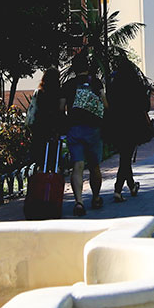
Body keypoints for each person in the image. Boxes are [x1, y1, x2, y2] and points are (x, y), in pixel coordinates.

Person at [60, 55, 107, 216]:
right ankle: (95, 197)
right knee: (94, 166)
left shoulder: (68, 85)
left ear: (73, 68)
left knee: (77, 166)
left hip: (74, 129)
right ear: (88, 66)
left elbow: (61, 109)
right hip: (93, 129)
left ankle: (79, 202)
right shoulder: (96, 82)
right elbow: (105, 103)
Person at [104, 56, 151, 202]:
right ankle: (118, 189)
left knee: (125, 155)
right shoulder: (136, 83)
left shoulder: (113, 84)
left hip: (117, 123)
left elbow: (108, 103)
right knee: (126, 157)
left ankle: (131, 185)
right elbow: (146, 105)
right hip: (133, 123)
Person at [26, 67, 65, 167]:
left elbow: (33, 111)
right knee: (53, 158)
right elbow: (60, 111)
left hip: (39, 128)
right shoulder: (59, 93)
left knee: (39, 159)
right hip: (53, 128)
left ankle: (40, 178)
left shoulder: (39, 92)